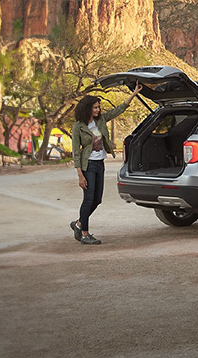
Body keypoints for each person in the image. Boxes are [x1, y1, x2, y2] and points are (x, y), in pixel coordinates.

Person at [70, 83, 142, 244]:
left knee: (97, 200)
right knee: (88, 199)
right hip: (87, 165)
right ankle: (85, 235)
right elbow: (76, 151)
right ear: (87, 108)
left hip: (99, 164)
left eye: (98, 107)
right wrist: (80, 175)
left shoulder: (100, 120)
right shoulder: (78, 127)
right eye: (95, 107)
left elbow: (119, 109)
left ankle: (79, 223)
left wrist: (134, 94)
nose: (98, 110)